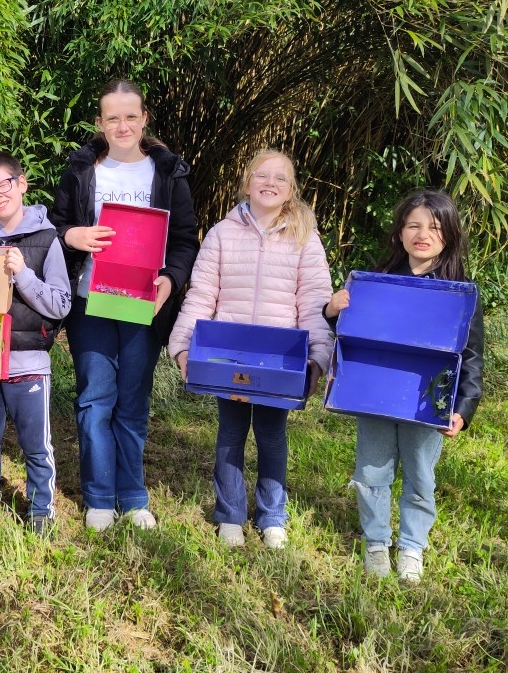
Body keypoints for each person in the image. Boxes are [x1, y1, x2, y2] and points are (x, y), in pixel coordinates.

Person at [50, 79, 199, 531]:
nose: (122, 125)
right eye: (112, 117)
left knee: (132, 402)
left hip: (143, 305)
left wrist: (170, 284)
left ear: (144, 119)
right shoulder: (81, 172)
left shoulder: (168, 174)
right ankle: (98, 496)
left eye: (130, 116)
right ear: (100, 123)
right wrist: (71, 236)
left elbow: (185, 240)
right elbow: (53, 231)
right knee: (95, 399)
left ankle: (133, 496)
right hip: (89, 300)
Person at [168, 150, 333, 549]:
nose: (270, 183)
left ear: (291, 190)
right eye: (262, 176)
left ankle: (272, 515)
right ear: (246, 183)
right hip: (229, 354)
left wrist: (317, 356)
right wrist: (183, 345)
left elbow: (314, 299)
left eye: (280, 178)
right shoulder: (223, 234)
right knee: (230, 432)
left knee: (272, 434)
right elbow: (203, 293)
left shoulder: (304, 237)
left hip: (280, 357)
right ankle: (230, 515)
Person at [324, 189, 483, 581]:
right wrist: (332, 311)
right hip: (376, 396)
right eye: (413, 225)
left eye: (434, 226)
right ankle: (376, 542)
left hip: (428, 400)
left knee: (420, 475)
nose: (422, 233)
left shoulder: (459, 295)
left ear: (450, 235)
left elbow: (472, 358)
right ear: (399, 233)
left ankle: (412, 547)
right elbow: (352, 335)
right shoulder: (375, 285)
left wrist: (462, 408)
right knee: (372, 471)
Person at [0, 151, 72, 534]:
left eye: (2, 185)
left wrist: (23, 274)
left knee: (36, 447)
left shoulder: (47, 239)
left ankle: (41, 511)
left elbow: (61, 305)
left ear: (21, 183)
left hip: (28, 366)